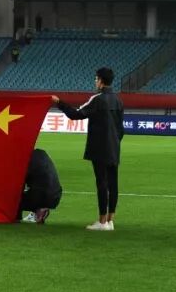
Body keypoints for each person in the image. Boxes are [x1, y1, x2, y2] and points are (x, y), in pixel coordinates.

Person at [51, 67, 123, 231]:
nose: (95, 81)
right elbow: (121, 128)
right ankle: (110, 221)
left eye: (96, 79)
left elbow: (76, 114)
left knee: (101, 183)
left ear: (101, 80)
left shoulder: (97, 99)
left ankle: (102, 222)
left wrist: (59, 102)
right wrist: (115, 142)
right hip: (114, 146)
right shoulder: (118, 100)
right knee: (113, 183)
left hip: (100, 147)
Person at [17, 148, 62, 224]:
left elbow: (18, 184)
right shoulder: (41, 153)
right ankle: (40, 209)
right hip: (56, 196)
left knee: (12, 198)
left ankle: (15, 217)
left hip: (41, 196)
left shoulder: (24, 158)